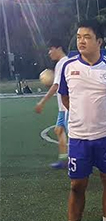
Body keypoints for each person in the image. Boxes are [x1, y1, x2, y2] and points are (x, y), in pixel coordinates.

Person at [56, 20, 106, 221]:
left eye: (86, 37)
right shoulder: (68, 66)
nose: (81, 41)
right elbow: (65, 98)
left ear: (99, 41)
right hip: (79, 138)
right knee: (77, 185)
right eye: (78, 37)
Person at [35, 39, 69, 169]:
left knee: (74, 136)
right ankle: (64, 160)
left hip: (67, 107)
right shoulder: (62, 63)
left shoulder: (63, 63)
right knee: (59, 130)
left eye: (51, 49)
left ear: (58, 48)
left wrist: (42, 102)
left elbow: (56, 86)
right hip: (63, 107)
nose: (49, 52)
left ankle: (80, 160)